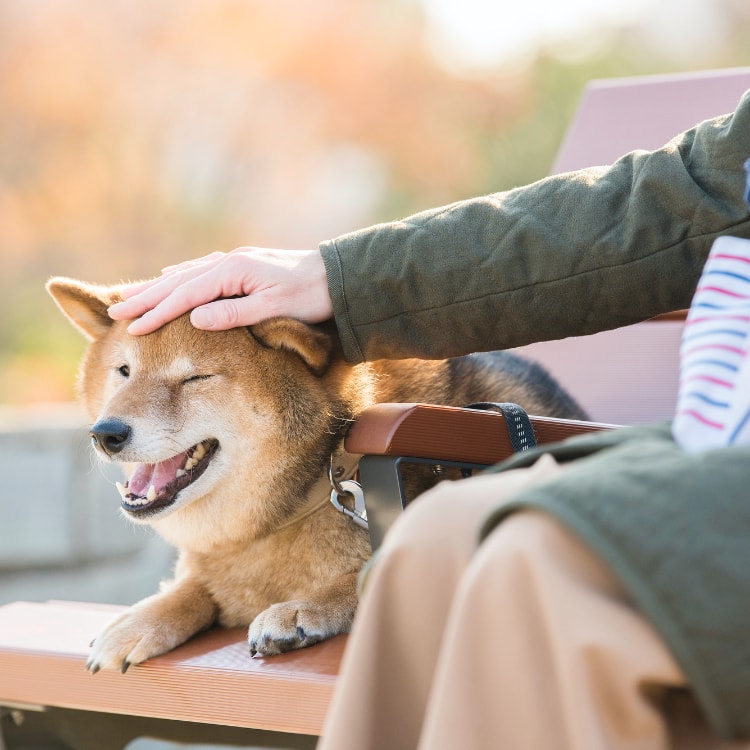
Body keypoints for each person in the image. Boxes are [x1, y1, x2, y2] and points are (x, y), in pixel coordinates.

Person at [109, 89, 750, 749]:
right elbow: (665, 203)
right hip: (715, 445)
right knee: (432, 541)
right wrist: (344, 279)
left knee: (541, 560)